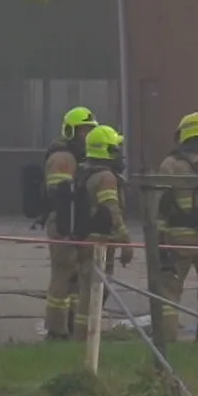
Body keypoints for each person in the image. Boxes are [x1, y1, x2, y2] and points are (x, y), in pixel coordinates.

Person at [154, 113, 198, 342]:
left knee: (168, 293)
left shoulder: (171, 164)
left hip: (177, 240)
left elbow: (158, 204)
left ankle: (167, 341)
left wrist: (159, 237)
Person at [72, 124, 136, 344]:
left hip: (87, 238)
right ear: (106, 150)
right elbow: (111, 208)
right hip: (99, 241)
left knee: (89, 289)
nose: (120, 154)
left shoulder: (86, 171)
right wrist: (125, 240)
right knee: (94, 291)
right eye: (116, 148)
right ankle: (85, 339)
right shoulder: (106, 177)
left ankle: (84, 336)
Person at [41, 106, 96, 341]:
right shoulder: (62, 158)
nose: (86, 137)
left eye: (89, 132)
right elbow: (61, 197)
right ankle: (56, 330)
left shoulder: (80, 158)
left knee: (77, 278)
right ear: (70, 131)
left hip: (78, 224)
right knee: (62, 277)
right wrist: (67, 230)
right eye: (83, 132)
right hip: (63, 224)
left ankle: (73, 324)